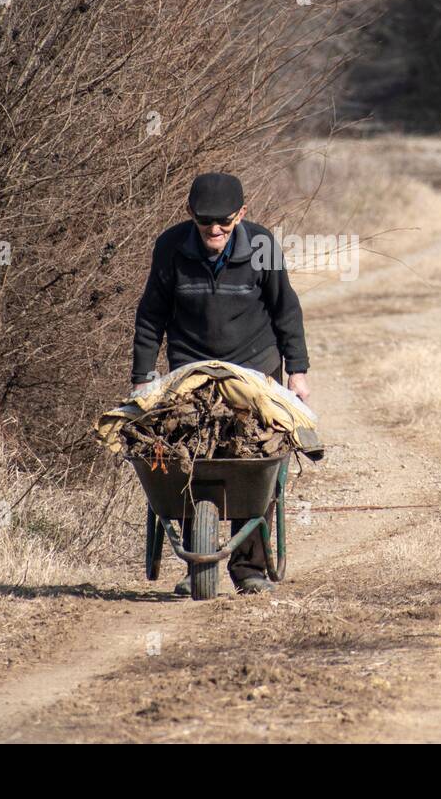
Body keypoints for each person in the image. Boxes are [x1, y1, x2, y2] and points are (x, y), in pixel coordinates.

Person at [131, 172, 311, 595]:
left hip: (254, 369)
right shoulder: (171, 247)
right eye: (206, 221)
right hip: (191, 368)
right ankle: (198, 562)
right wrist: (142, 378)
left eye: (225, 222)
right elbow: (151, 316)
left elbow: (287, 310)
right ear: (190, 214)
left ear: (242, 214)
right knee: (190, 454)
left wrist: (297, 372)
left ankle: (249, 568)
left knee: (253, 456)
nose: (215, 229)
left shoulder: (262, 245)